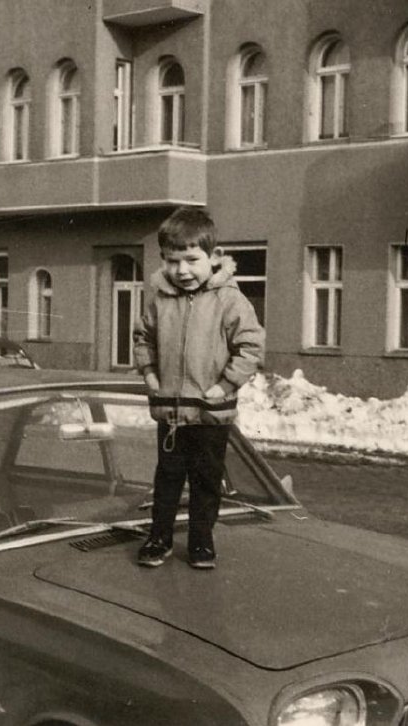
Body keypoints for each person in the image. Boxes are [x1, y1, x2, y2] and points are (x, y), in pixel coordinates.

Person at [132, 207, 265, 569]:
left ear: (214, 257)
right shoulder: (160, 298)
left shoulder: (229, 299)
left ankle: (201, 541)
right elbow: (143, 338)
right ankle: (158, 538)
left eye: (192, 260)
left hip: (210, 412)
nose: (182, 270)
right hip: (171, 411)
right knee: (167, 478)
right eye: (173, 261)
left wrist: (225, 384)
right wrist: (150, 375)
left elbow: (251, 347)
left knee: (206, 479)